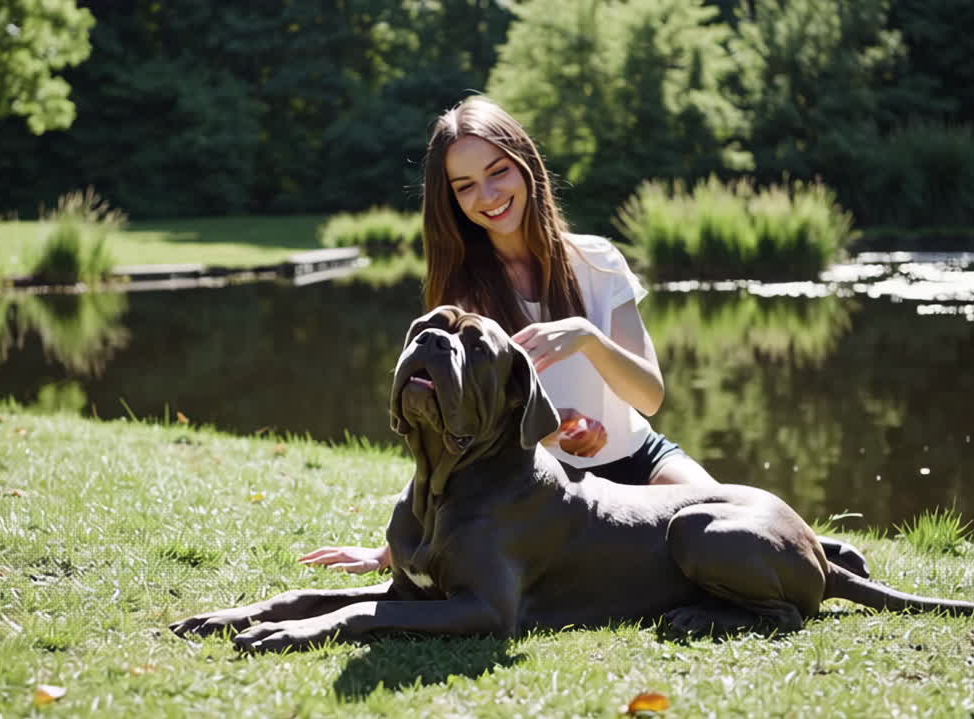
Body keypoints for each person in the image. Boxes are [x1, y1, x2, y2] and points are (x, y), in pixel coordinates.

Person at [299, 96, 867, 577]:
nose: (488, 195)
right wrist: (392, 551)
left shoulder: (598, 261)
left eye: (498, 171)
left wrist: (587, 337)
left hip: (640, 458)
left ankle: (825, 557)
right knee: (668, 569)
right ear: (451, 199)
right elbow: (455, 430)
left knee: (732, 527)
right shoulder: (464, 300)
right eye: (465, 185)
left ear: (526, 165)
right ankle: (823, 560)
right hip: (550, 487)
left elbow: (648, 396)